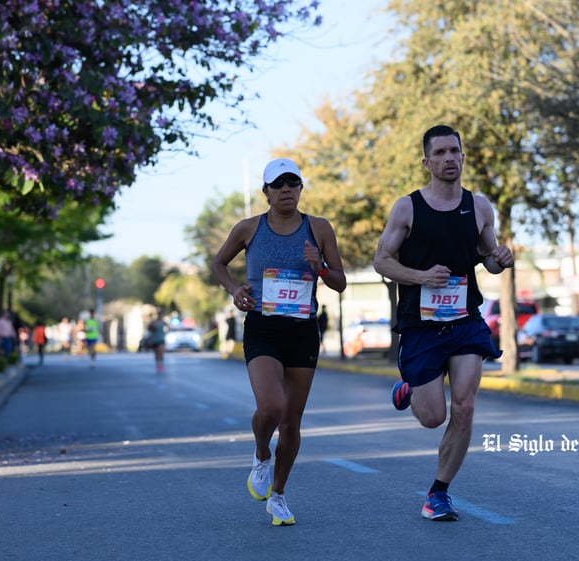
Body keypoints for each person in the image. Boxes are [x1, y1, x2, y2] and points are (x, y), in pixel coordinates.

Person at [373, 125, 515, 522]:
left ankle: (438, 493)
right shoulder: (408, 208)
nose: (449, 158)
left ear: (463, 157)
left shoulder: (480, 206)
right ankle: (411, 388)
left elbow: (487, 258)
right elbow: (381, 260)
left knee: (465, 406)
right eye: (440, 153)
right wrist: (420, 277)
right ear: (427, 162)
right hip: (420, 325)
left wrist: (500, 260)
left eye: (455, 151)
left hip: (465, 319)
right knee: (433, 416)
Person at [211, 157, 347, 526]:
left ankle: (279, 495)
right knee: (271, 406)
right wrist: (234, 290)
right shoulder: (248, 228)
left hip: (302, 329)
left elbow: (339, 281)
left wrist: (318, 265)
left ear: (301, 188)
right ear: (266, 192)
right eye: (279, 184)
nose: (287, 189)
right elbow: (218, 263)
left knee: (291, 421)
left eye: (293, 183)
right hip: (263, 326)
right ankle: (260, 455)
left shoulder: (318, 228)